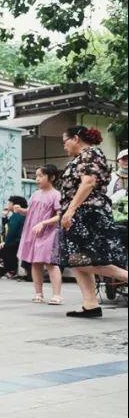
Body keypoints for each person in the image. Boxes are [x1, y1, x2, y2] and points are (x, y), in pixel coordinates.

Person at [57, 126, 129, 318]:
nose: (64, 146)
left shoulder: (89, 154)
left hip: (87, 214)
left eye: (65, 141)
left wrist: (70, 210)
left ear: (75, 139)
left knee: (91, 260)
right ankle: (90, 304)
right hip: (82, 213)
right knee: (78, 259)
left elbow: (88, 182)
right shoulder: (84, 157)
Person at [17, 164, 63, 305]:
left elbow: (60, 216)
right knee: (35, 263)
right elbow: (30, 211)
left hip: (48, 233)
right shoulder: (35, 194)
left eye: (41, 176)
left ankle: (57, 295)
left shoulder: (56, 195)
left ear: (52, 177)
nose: (37, 179)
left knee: (50, 263)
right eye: (36, 176)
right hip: (33, 231)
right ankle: (38, 293)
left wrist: (44, 223)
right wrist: (20, 210)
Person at [0, 195, 27, 279]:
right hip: (19, 239)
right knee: (3, 244)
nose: (8, 205)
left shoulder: (18, 215)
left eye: (9, 203)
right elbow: (7, 227)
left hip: (18, 240)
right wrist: (4, 216)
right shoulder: (16, 215)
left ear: (15, 205)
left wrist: (6, 242)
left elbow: (12, 231)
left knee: (7, 247)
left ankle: (11, 271)